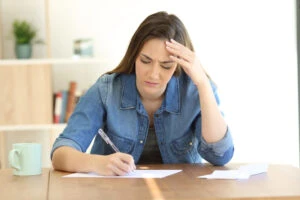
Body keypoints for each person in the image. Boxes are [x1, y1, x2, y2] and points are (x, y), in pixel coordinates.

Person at [51, 11, 234, 176]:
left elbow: (220, 155)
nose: (154, 74)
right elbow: (60, 153)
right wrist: (98, 163)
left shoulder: (194, 91)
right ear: (134, 56)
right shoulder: (106, 90)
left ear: (178, 65)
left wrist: (202, 83)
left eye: (166, 65)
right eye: (146, 61)